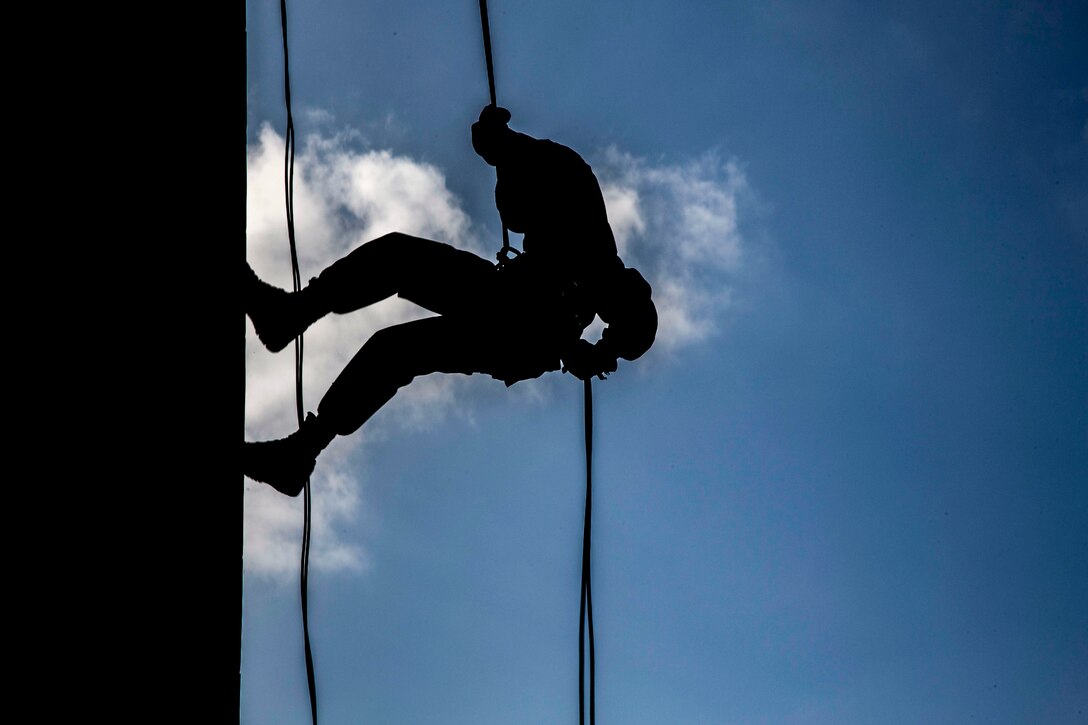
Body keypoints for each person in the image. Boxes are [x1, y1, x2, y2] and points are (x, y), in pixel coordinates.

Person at [244, 106, 657, 495]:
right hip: (511, 309)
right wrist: (587, 351)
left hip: (518, 325)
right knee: (396, 301)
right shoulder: (571, 195)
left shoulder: (587, 248)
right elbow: (516, 215)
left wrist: (588, 350)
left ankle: (299, 426)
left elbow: (560, 290)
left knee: (397, 316)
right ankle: (299, 423)